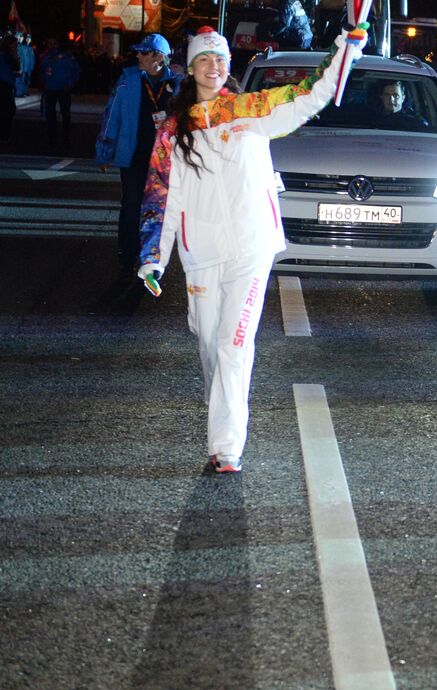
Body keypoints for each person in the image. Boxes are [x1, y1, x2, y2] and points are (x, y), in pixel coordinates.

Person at [138, 25, 367, 474]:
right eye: (205, 59)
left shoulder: (251, 110)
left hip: (251, 245)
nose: (214, 67)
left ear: (229, 66)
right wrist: (154, 257)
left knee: (232, 343)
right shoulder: (174, 130)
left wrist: (344, 50)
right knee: (208, 342)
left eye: (220, 59)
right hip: (200, 251)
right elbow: (161, 195)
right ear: (192, 67)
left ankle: (226, 448)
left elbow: (308, 94)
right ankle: (222, 409)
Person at [96, 34, 184, 272]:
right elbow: (111, 116)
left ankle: (152, 259)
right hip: (134, 155)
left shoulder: (178, 83)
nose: (138, 56)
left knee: (159, 210)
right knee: (132, 205)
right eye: (139, 52)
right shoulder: (128, 80)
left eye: (144, 52)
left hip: (165, 161)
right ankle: (127, 255)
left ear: (159, 57)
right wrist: (105, 151)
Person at [39, 39, 79, 148]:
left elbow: (76, 71)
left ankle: (65, 137)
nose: (52, 45)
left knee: (65, 114)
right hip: (51, 89)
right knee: (51, 114)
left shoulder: (67, 57)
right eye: (50, 43)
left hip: (63, 89)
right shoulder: (45, 56)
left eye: (54, 43)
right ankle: (53, 137)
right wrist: (44, 83)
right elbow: (42, 72)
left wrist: (70, 84)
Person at [0, 35, 19, 148]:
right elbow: (16, 66)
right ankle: (4, 135)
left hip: (4, 82)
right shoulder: (7, 55)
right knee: (8, 110)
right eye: (15, 44)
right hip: (5, 84)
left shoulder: (2, 55)